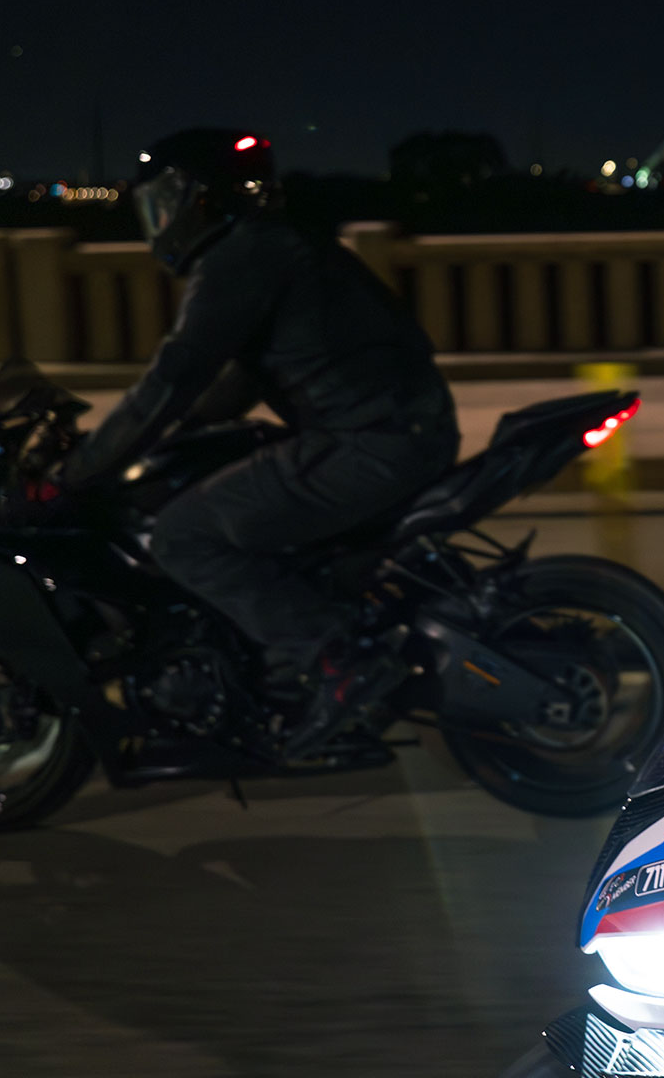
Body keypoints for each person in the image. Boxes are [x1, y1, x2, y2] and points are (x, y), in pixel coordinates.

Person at [50, 128, 458, 759]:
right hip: (396, 430)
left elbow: (173, 379)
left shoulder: (240, 258)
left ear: (197, 198)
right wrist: (170, 436)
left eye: (161, 204)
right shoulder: (277, 244)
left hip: (369, 443)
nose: (158, 222)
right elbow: (236, 382)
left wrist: (77, 471)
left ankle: (337, 658)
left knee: (184, 535)